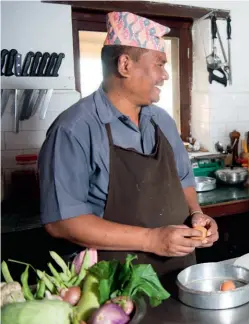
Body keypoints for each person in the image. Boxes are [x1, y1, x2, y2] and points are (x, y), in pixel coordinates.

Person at [38, 11, 218, 275]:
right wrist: (152, 240)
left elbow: (184, 181)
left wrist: (196, 214)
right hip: (114, 284)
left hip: (179, 273)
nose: (165, 75)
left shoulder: (162, 121)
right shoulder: (74, 129)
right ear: (125, 65)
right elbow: (62, 222)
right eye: (159, 63)